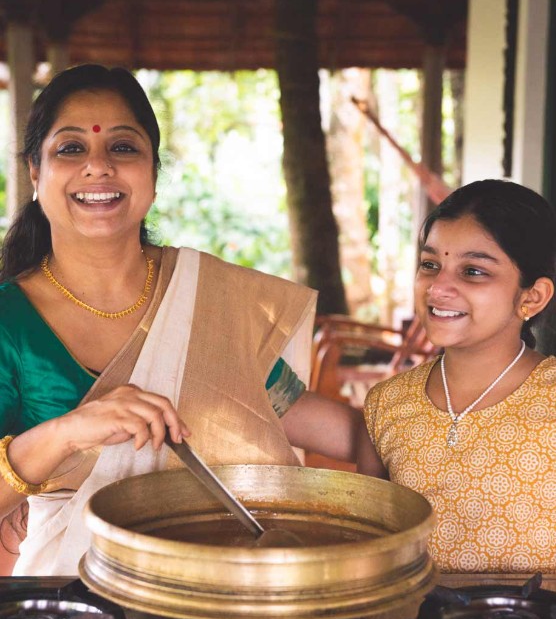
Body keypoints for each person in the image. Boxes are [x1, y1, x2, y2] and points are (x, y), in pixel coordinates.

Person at [0, 63, 382, 576]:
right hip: (77, 615)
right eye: (71, 148)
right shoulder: (10, 319)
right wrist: (68, 432)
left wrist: (445, 424)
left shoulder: (207, 298)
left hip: (222, 600)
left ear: (152, 175)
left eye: (123, 147)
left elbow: (319, 422)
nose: (98, 166)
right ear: (33, 173)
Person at [363, 179, 556, 574]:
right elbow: (370, 547)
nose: (438, 287)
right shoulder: (387, 403)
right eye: (430, 264)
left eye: (472, 271)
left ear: (531, 297)